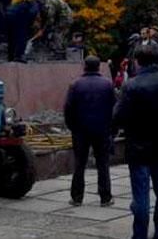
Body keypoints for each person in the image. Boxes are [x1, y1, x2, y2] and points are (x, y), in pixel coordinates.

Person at [113, 44, 158, 239]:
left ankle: (139, 234)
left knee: (141, 194)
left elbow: (118, 116)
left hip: (138, 145)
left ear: (137, 61)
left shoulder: (131, 85)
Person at [64, 56, 115, 207]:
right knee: (103, 164)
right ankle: (105, 197)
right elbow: (114, 107)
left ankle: (77, 197)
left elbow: (68, 108)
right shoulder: (107, 84)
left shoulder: (75, 84)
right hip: (102, 130)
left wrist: (72, 127)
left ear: (84, 66)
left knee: (79, 164)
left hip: (81, 130)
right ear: (99, 67)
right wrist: (112, 129)